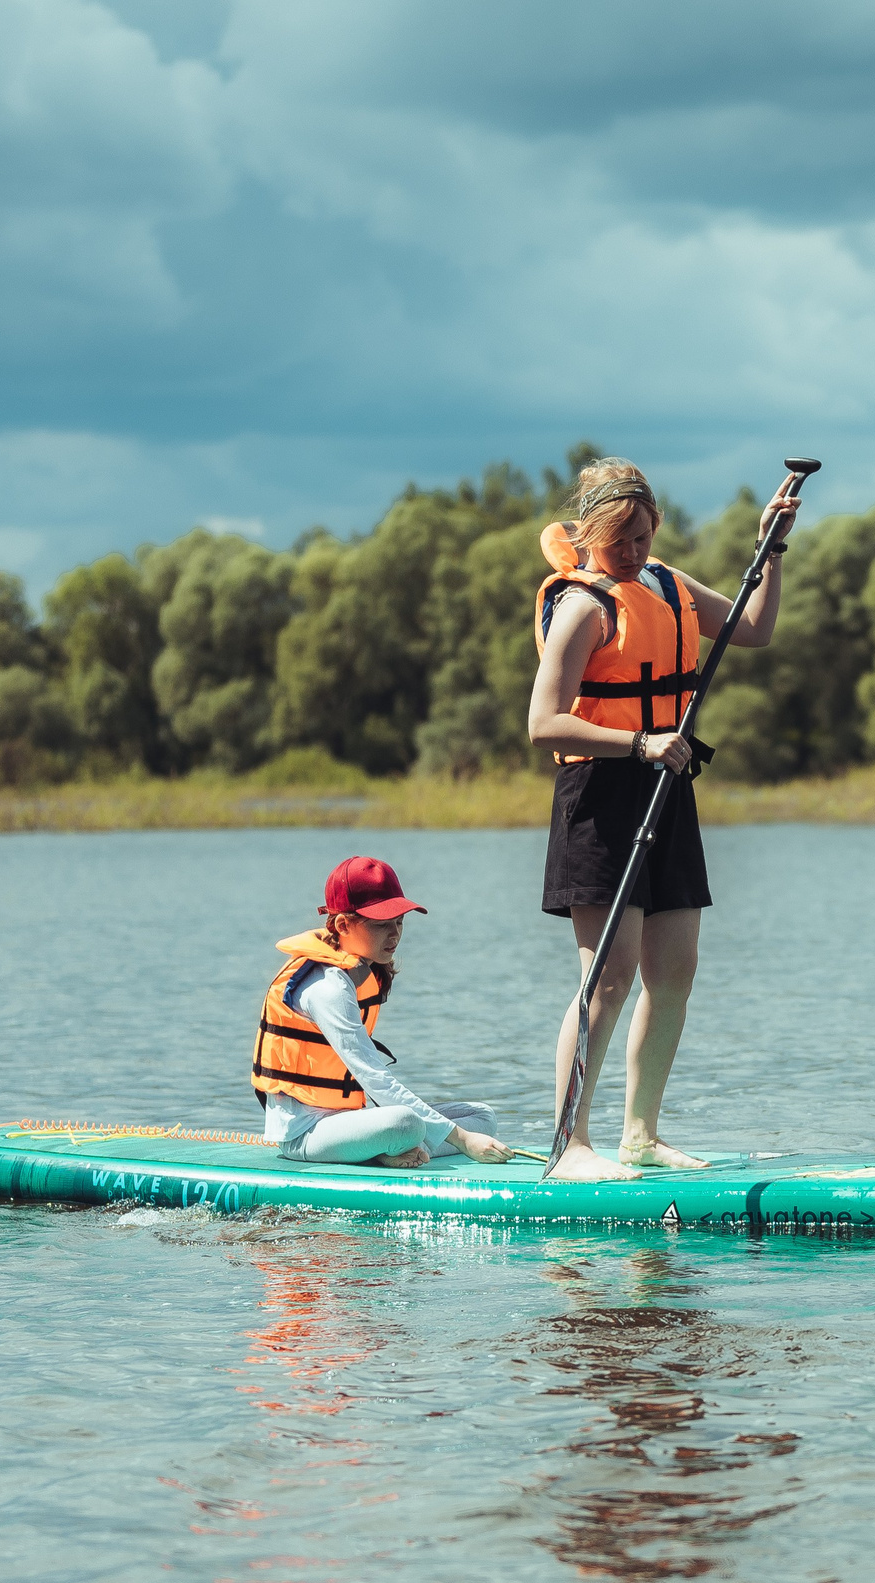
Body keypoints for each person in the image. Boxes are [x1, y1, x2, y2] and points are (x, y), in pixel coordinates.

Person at [526, 458, 800, 1180]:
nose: (636, 553)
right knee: (608, 977)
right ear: (587, 535)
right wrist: (640, 741)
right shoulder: (584, 606)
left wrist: (770, 550)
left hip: (668, 786)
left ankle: (639, 1137)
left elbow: (755, 630)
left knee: (673, 971)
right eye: (621, 542)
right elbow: (543, 723)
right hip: (600, 797)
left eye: (645, 537)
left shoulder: (669, 585)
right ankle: (570, 1145)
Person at [252, 855, 514, 1168]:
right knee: (406, 1123)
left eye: (399, 921)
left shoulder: (360, 968)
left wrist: (466, 1133)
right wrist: (461, 1139)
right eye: (381, 925)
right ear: (342, 925)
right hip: (306, 1132)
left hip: (354, 1121)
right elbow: (374, 1078)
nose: (394, 935)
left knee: (481, 1117)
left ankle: (393, 1149)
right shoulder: (326, 987)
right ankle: (387, 1148)